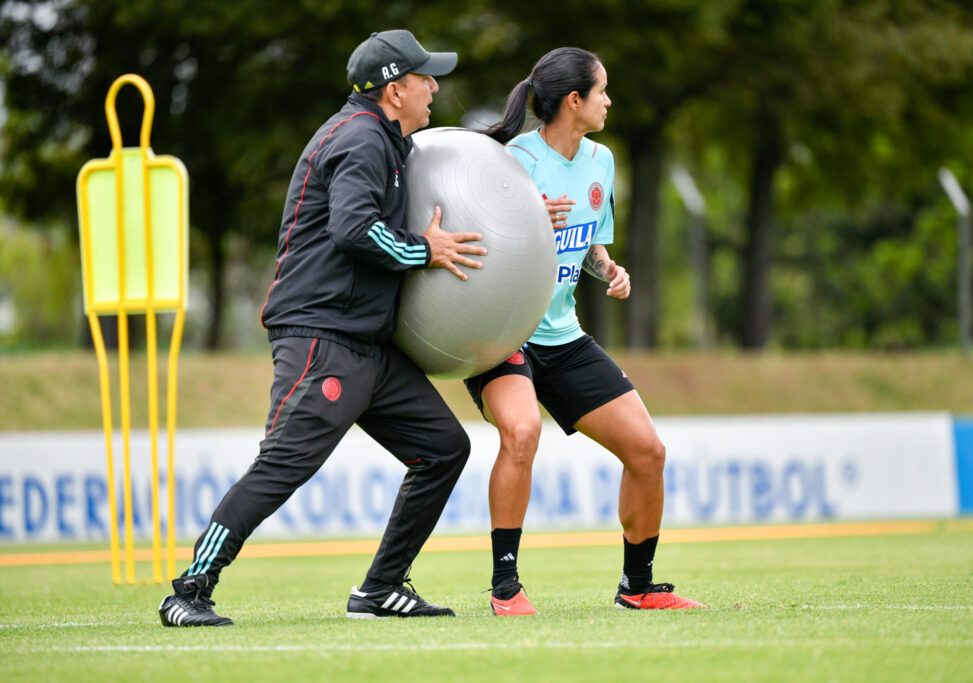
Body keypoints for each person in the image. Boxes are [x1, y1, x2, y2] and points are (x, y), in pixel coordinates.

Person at [159, 29, 486, 627]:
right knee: (284, 463)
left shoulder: (384, 137)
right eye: (424, 77)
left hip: (366, 341)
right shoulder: (361, 139)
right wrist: (425, 251)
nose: (434, 86)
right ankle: (187, 590)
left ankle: (381, 588)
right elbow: (354, 230)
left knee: (443, 448)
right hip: (321, 335)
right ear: (394, 91)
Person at [467, 47, 705, 615]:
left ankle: (638, 587)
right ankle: (505, 588)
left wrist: (608, 269)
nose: (609, 101)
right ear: (574, 101)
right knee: (523, 433)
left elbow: (588, 240)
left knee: (648, 452)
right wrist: (520, 222)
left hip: (563, 336)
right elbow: (471, 243)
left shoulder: (601, 160)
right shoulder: (509, 159)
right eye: (602, 91)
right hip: (506, 335)